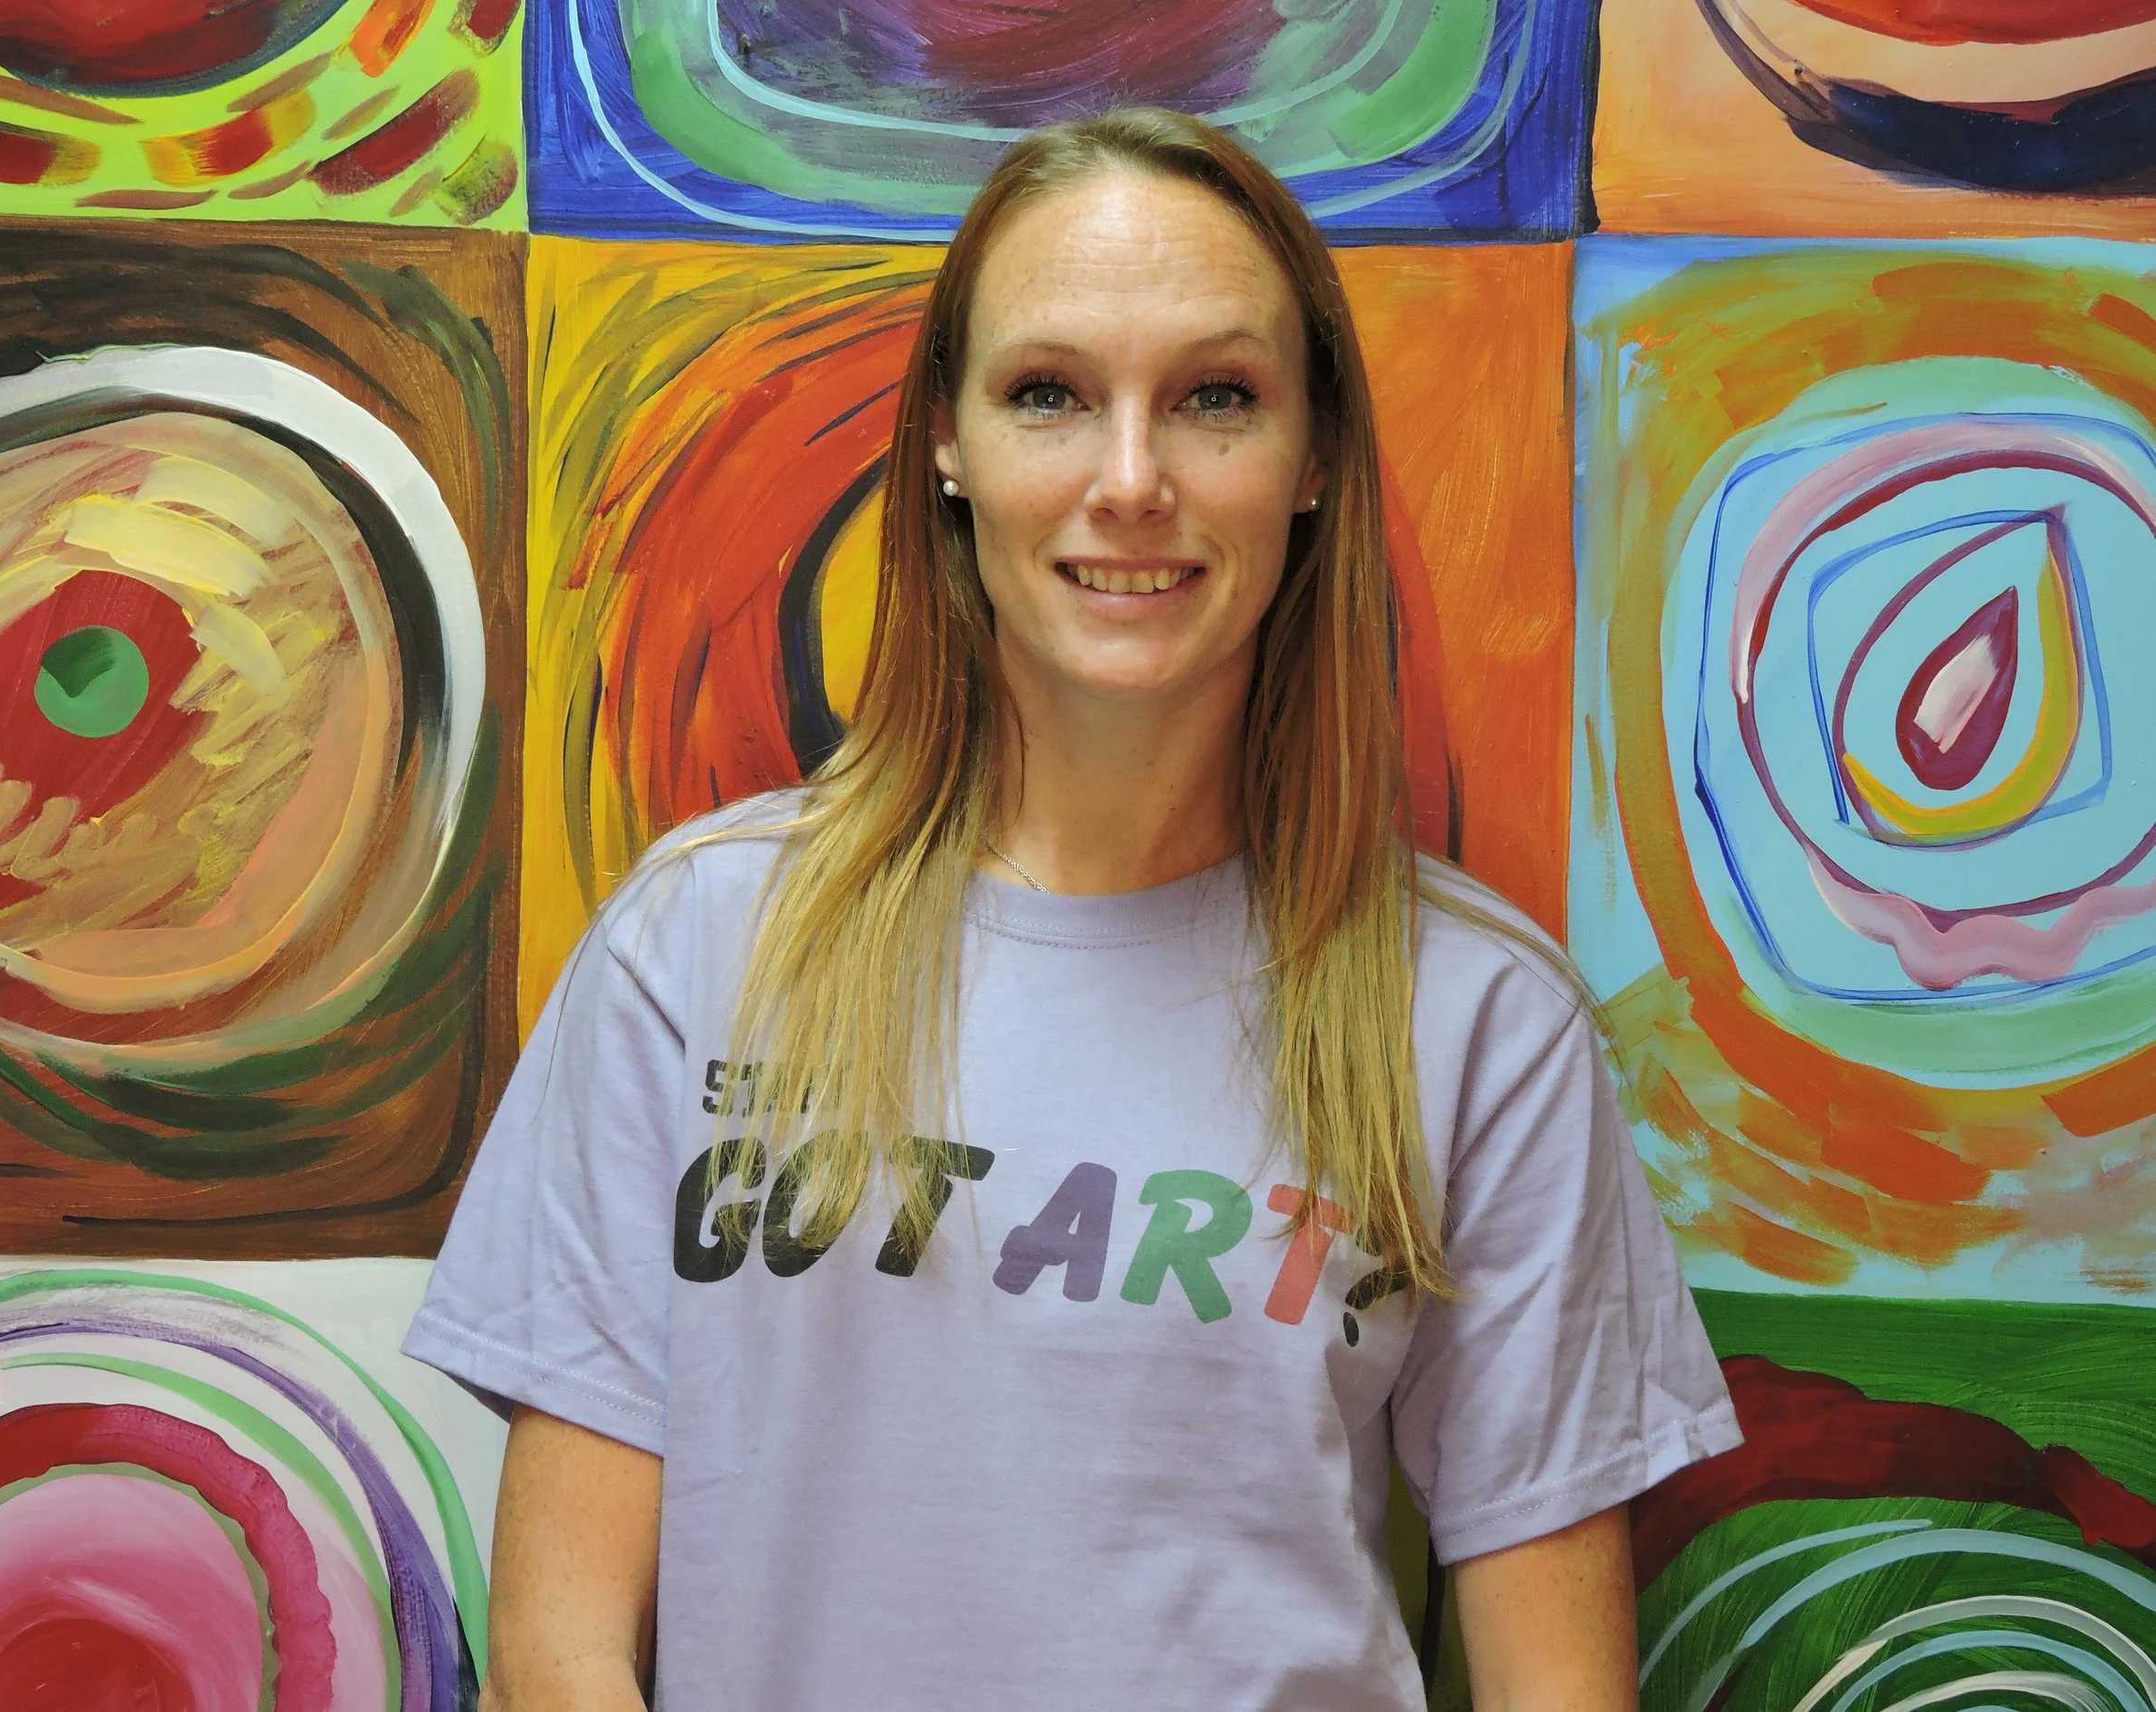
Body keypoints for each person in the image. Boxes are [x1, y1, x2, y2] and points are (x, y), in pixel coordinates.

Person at [406, 107, 1741, 1711]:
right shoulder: (693, 948)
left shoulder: (1480, 1022)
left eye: (1216, 397)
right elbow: (555, 1656)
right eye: (1049, 393)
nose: (1129, 481)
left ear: (1314, 460)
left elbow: (1557, 1689)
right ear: (948, 444)